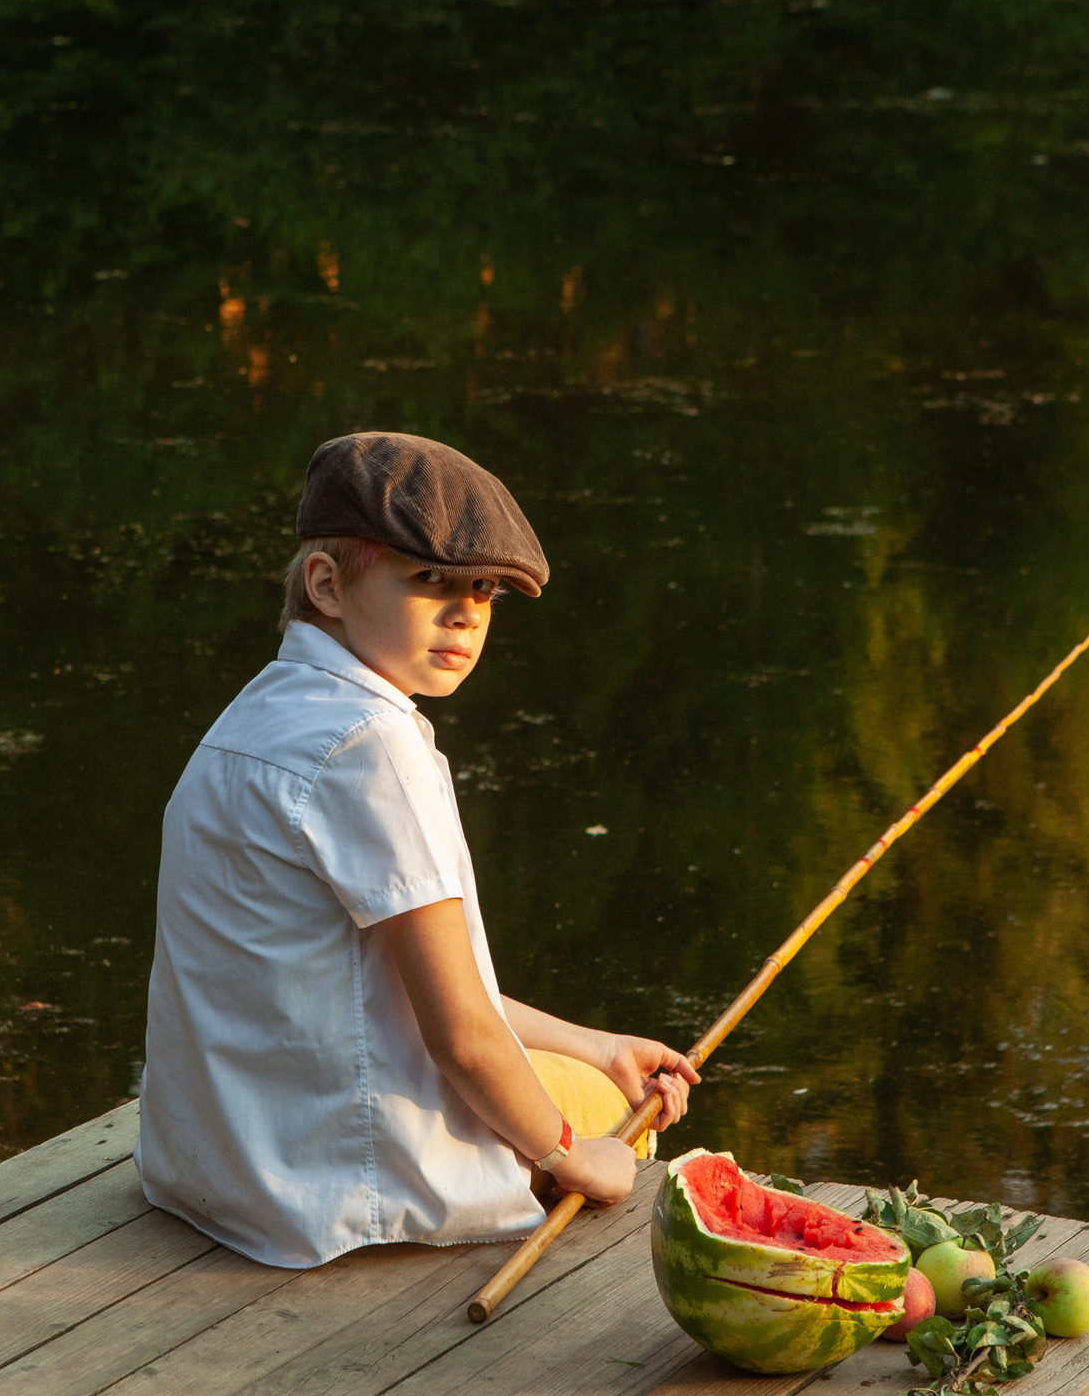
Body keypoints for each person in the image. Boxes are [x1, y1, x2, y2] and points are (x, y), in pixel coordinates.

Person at [137, 431, 697, 1268]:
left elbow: (411, 991)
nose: (467, 611)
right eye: (430, 580)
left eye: (486, 591)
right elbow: (461, 1034)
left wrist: (598, 1045)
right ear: (328, 585)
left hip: (216, 1176)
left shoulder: (254, 713)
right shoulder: (371, 745)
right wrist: (569, 1156)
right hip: (344, 1195)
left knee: (598, 1078)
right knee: (625, 1137)